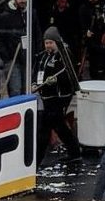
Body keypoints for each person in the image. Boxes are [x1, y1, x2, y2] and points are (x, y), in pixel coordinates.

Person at [33, 27, 81, 168]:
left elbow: (70, 74)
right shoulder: (42, 56)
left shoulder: (64, 55)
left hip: (59, 96)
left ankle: (37, 160)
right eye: (46, 43)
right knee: (59, 126)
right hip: (46, 96)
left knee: (45, 128)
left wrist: (56, 80)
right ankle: (75, 153)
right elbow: (36, 71)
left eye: (51, 43)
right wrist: (34, 83)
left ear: (57, 42)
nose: (48, 45)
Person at [0, 0, 30, 99]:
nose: (23, 0)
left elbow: (36, 34)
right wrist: (6, 56)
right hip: (12, 59)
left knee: (26, 89)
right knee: (15, 89)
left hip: (27, 58)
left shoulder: (31, 14)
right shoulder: (5, 16)